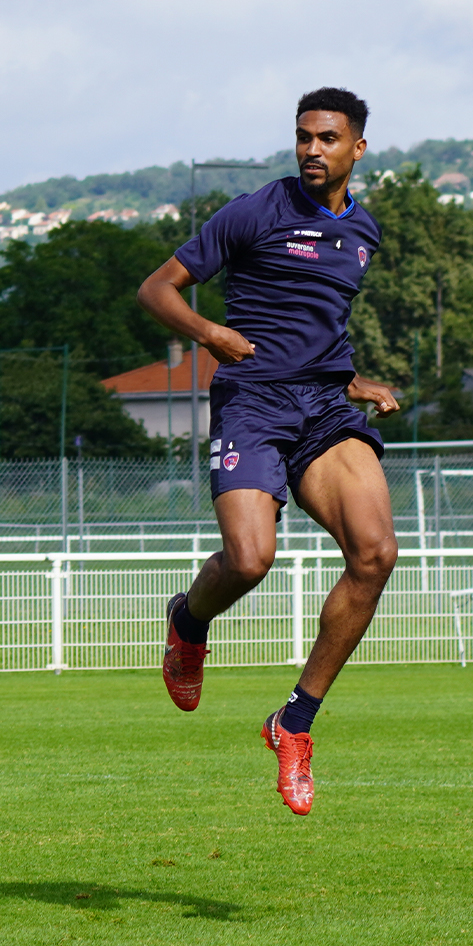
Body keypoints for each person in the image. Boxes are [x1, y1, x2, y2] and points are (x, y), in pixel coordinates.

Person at [136, 86, 400, 816]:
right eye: (303, 136)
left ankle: (294, 723)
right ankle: (188, 623)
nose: (312, 149)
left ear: (357, 149)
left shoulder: (364, 232)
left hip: (323, 407)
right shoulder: (256, 211)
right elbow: (156, 288)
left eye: (327, 138)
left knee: (376, 554)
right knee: (251, 559)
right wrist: (211, 335)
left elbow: (317, 326)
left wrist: (355, 380)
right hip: (253, 403)